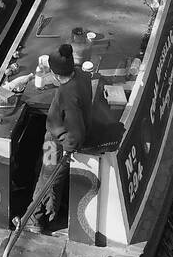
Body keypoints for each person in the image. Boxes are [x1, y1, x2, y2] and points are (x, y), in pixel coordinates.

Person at [38, 44, 116, 222]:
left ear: (56, 73)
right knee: (49, 177)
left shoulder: (67, 94)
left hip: (54, 142)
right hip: (60, 139)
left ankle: (39, 219)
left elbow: (75, 128)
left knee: (48, 178)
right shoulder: (81, 75)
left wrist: (68, 148)